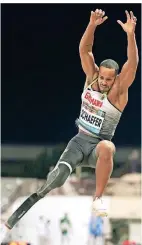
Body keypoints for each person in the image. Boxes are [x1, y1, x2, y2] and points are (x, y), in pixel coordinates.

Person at [4, 9, 139, 232]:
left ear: (115, 79)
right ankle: (37, 196)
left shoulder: (119, 91)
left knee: (108, 147)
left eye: (109, 79)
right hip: (79, 141)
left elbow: (132, 64)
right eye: (102, 77)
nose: (104, 82)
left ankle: (98, 198)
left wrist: (130, 35)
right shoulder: (91, 77)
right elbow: (84, 50)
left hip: (97, 148)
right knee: (58, 177)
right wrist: (92, 25)